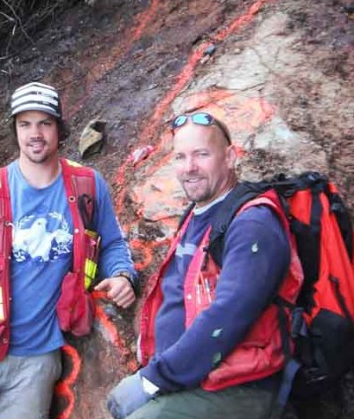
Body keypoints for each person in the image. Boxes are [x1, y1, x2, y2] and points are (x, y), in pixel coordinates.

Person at [0, 82, 138, 418]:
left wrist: (122, 274)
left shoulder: (87, 186)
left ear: (59, 128)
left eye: (45, 123)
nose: (35, 133)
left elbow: (113, 243)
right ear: (15, 128)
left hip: (36, 364)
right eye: (25, 124)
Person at [106, 113, 303, 418]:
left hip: (241, 384)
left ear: (230, 157)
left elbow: (228, 315)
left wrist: (152, 380)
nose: (189, 167)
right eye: (181, 157)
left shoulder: (252, 223)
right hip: (194, 377)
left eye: (201, 154)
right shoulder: (199, 215)